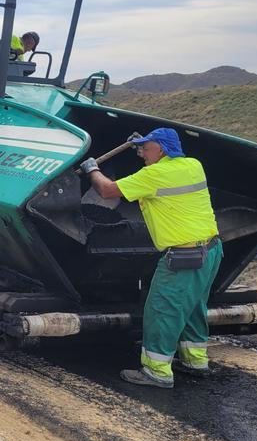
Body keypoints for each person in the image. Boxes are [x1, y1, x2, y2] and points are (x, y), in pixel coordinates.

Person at [79, 128, 221, 389]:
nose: (141, 153)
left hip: (184, 256)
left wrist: (91, 170)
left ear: (163, 149)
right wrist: (138, 142)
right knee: (192, 308)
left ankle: (157, 371)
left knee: (162, 311)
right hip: (212, 250)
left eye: (147, 148)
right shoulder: (193, 165)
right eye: (139, 148)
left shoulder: (155, 174)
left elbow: (107, 191)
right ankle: (195, 361)